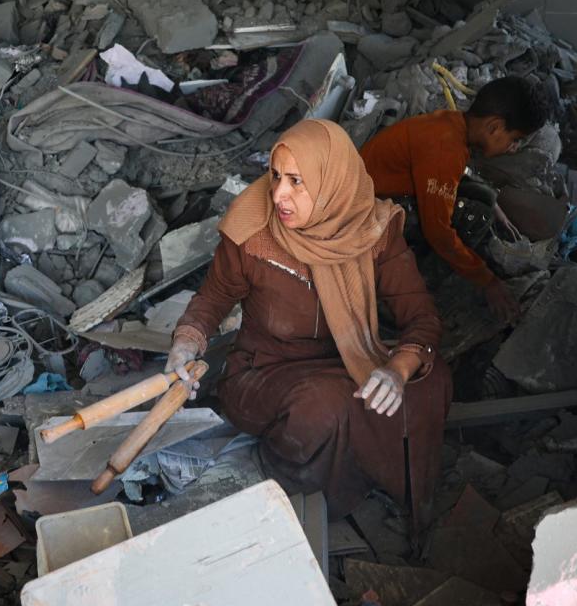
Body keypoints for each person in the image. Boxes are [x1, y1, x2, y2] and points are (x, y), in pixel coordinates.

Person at [166, 119, 450, 529]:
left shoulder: (372, 230)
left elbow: (421, 316)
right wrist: (187, 342)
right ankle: (295, 495)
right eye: (276, 176)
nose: (279, 194)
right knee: (326, 407)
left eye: (297, 181)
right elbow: (213, 297)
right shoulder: (252, 229)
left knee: (431, 378)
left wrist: (397, 370)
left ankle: (388, 487)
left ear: (333, 182)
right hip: (263, 371)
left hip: (346, 357)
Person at [360, 75, 553, 323]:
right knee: (472, 217)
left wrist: (492, 200)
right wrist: (487, 280)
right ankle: (403, 284)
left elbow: (455, 177)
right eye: (514, 139)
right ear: (494, 126)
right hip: (363, 216)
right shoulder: (445, 150)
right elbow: (438, 232)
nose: (513, 148)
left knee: (480, 200)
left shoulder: (451, 124)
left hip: (378, 191)